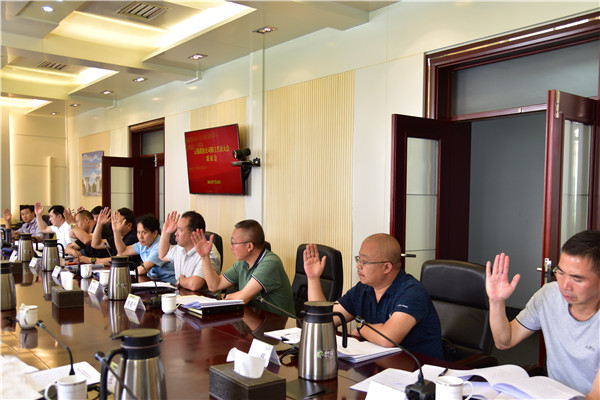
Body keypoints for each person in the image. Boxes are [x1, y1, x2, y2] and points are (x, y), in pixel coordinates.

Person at [486, 230, 600, 397]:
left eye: (577, 278)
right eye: (560, 272)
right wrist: (496, 301)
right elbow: (505, 341)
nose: (565, 285)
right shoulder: (549, 295)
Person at [304, 234, 442, 358]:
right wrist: (313, 278)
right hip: (380, 365)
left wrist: (361, 328)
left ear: (387, 267)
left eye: (364, 261)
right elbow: (325, 319)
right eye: (358, 259)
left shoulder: (412, 292)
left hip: (419, 371)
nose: (358, 266)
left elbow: (387, 338)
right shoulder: (364, 288)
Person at [192, 219, 294, 316]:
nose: (231, 247)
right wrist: (204, 256)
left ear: (249, 246)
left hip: (278, 324)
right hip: (254, 319)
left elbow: (242, 298)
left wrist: (227, 297)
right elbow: (214, 285)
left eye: (234, 243)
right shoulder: (242, 263)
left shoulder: (270, 263)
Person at [158, 211, 221, 291]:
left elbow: (194, 284)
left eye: (180, 230)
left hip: (202, 298)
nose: (175, 233)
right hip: (181, 295)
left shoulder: (208, 251)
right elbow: (162, 255)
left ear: (194, 234)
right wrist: (166, 232)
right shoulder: (180, 248)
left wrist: (180, 280)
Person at [114, 214, 175, 284]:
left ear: (155, 233)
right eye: (138, 232)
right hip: (154, 282)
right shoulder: (143, 244)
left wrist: (128, 272)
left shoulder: (160, 246)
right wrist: (116, 232)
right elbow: (122, 251)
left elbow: (142, 270)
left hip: (168, 285)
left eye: (144, 233)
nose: (140, 236)